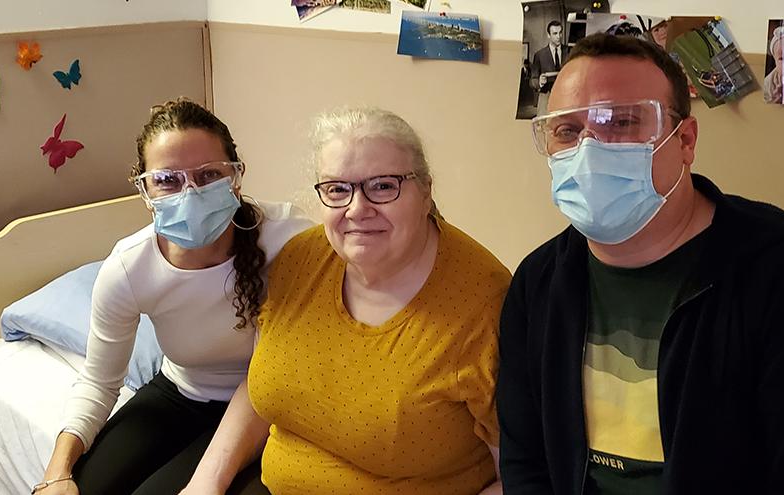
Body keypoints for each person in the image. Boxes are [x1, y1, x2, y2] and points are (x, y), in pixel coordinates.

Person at [498, 33, 784, 494]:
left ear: (686, 141)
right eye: (568, 130)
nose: (591, 148)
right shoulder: (538, 284)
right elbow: (526, 462)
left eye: (623, 122)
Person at [35, 98, 314, 495]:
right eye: (168, 179)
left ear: (236, 176)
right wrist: (56, 474)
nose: (190, 193)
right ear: (144, 189)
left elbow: (278, 371)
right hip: (178, 394)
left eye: (208, 175)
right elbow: (99, 381)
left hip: (268, 406)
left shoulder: (289, 241)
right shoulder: (131, 268)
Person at [244, 107, 511, 494]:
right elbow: (260, 386)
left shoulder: (484, 304)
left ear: (425, 192)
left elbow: (522, 474)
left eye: (383, 186)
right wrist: (207, 480)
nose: (356, 209)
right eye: (337, 188)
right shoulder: (299, 260)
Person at [531, 20, 567, 117]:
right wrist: (539, 82)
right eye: (555, 33)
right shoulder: (539, 55)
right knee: (543, 126)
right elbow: (532, 80)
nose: (558, 36)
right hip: (545, 96)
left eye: (560, 33)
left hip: (565, 96)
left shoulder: (569, 52)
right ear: (548, 35)